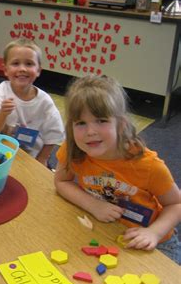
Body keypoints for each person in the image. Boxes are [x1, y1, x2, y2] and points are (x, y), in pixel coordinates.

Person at [54, 74, 181, 263]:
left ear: (121, 125)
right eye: (81, 123)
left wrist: (153, 233)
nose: (90, 132)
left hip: (156, 241)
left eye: (101, 120)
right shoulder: (73, 149)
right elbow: (61, 181)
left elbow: (176, 204)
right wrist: (93, 205)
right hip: (106, 229)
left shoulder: (148, 165)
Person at [0, 39, 64, 166]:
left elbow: (54, 134)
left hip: (31, 158)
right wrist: (2, 113)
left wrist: (42, 159)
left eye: (29, 64)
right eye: (15, 63)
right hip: (0, 152)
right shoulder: (1, 92)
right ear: (6, 69)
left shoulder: (45, 102)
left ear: (39, 70)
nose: (22, 68)